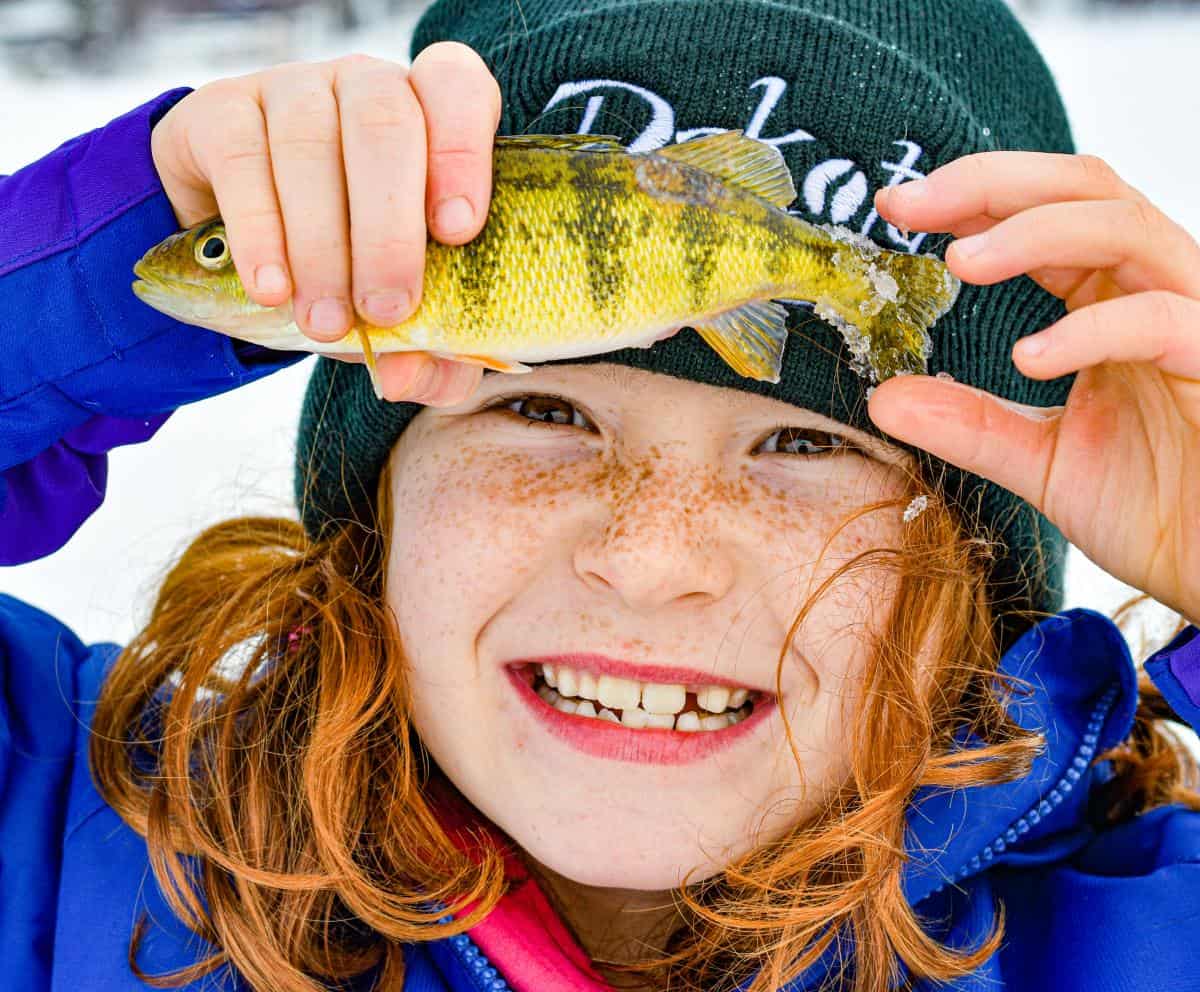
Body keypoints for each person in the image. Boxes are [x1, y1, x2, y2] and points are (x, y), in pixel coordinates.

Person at [2, 0, 1198, 989]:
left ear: (974, 573)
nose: (648, 558)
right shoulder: (74, 824)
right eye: (542, 412)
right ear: (374, 513)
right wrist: (87, 276)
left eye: (799, 442)